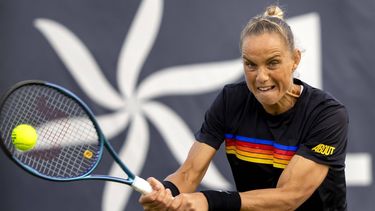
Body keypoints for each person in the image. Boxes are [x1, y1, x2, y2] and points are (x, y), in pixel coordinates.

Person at [139, 4, 348, 211]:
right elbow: (188, 173)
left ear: (295, 59)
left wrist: (210, 200)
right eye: (251, 64)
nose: (261, 77)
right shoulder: (231, 101)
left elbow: (288, 197)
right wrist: (166, 192)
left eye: (272, 63)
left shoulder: (327, 116)